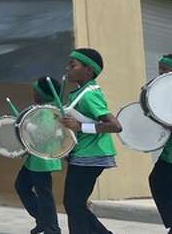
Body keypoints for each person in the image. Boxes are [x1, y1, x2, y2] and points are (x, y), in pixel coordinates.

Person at [60, 48, 122, 234]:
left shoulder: (89, 94)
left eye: (73, 65)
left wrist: (80, 127)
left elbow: (115, 126)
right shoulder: (81, 92)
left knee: (74, 204)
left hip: (92, 155)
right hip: (83, 154)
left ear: (88, 70)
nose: (68, 68)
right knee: (73, 204)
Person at [15, 77, 64, 234]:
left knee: (44, 194)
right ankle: (43, 221)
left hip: (43, 159)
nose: (33, 93)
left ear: (42, 95)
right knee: (22, 186)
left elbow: (45, 135)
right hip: (34, 158)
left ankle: (52, 228)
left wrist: (26, 125)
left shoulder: (48, 111)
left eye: (35, 91)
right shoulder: (40, 109)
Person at [150, 54, 172, 234]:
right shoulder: (163, 92)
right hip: (169, 153)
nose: (160, 74)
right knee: (157, 181)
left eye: (164, 70)